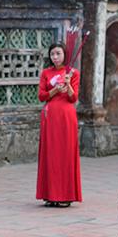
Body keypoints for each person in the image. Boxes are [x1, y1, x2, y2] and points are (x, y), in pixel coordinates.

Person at [36, 43, 82, 207]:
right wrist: (55, 90)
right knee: (50, 154)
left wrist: (68, 84)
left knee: (66, 153)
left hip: (66, 117)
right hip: (49, 117)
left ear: (65, 54)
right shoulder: (46, 73)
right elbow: (41, 96)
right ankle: (50, 194)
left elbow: (73, 97)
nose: (55, 57)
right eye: (52, 54)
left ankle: (65, 195)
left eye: (58, 53)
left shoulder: (73, 73)